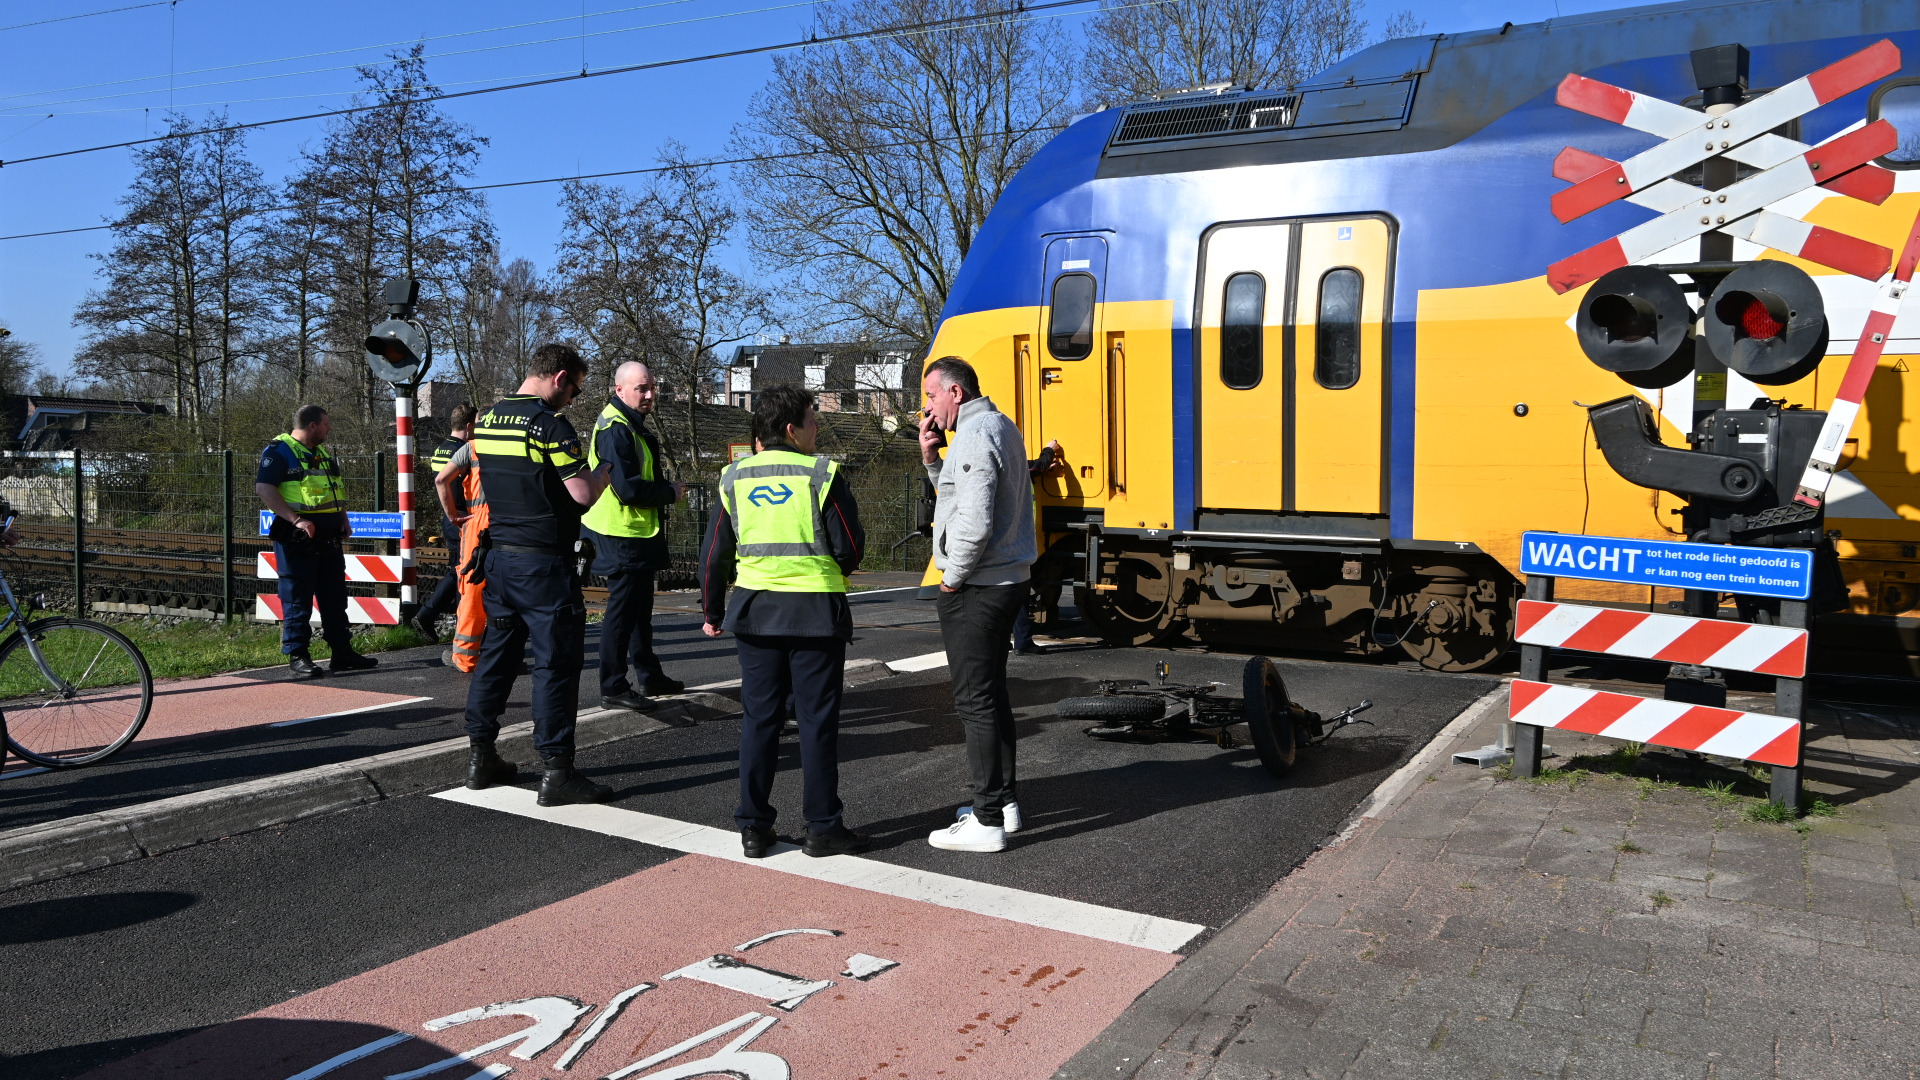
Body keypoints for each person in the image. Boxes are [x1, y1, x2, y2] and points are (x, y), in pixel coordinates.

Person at [700, 385, 870, 860]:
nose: (818, 428)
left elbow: (714, 554)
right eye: (813, 420)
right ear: (792, 429)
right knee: (816, 724)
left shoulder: (733, 477)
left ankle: (754, 826)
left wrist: (713, 611)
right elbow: (850, 548)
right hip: (815, 613)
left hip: (755, 613)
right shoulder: (822, 473)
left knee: (760, 721)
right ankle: (823, 828)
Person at [461, 344, 613, 805]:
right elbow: (582, 494)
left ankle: (481, 757)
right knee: (556, 665)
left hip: (500, 562)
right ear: (560, 377)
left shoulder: (487, 420)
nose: (574, 399)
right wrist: (604, 472)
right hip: (543, 564)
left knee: (497, 659)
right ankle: (557, 772)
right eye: (575, 389)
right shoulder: (549, 425)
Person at [918, 357, 1037, 853]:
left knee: (974, 701)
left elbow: (973, 520)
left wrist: (952, 578)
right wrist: (930, 461)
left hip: (980, 585)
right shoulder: (998, 425)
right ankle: (1002, 805)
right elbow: (959, 495)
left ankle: (987, 820)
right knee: (992, 695)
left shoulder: (974, 433)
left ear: (956, 393)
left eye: (930, 396)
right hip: (1006, 579)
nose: (926, 408)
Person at [583, 360, 687, 712]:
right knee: (623, 612)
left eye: (651, 387)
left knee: (640, 609)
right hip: (620, 532)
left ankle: (649, 675)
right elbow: (627, 490)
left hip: (634, 531)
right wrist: (669, 492)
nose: (649, 394)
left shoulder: (628, 424)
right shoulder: (616, 429)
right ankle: (613, 685)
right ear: (619, 389)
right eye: (641, 388)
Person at [255, 405, 379, 679]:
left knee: (334, 598)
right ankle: (299, 655)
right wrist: (296, 519)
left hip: (329, 538)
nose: (329, 429)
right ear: (312, 425)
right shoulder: (279, 452)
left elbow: (334, 490)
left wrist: (343, 519)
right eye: (326, 424)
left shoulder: (321, 454)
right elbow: (264, 488)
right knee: (297, 599)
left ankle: (342, 653)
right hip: (298, 539)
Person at [411, 404, 479, 643]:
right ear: (469, 426)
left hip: (448, 515)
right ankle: (453, 623)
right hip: (463, 517)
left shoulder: (440, 449)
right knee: (464, 570)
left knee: (457, 569)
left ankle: (432, 616)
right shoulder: (465, 450)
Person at [433, 420, 490, 675]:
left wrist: (453, 515)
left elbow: (441, 479)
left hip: (477, 523)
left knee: (471, 589)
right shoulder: (522, 443)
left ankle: (465, 657)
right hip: (516, 523)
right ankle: (505, 654)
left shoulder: (472, 447)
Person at [1012, 439, 1062, 655]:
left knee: (1001, 592)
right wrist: (1050, 450)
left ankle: (1001, 640)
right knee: (1019, 590)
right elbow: (1035, 466)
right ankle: (1022, 642)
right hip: (1018, 539)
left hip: (1006, 537)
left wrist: (1044, 466)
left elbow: (1035, 469)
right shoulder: (1013, 465)